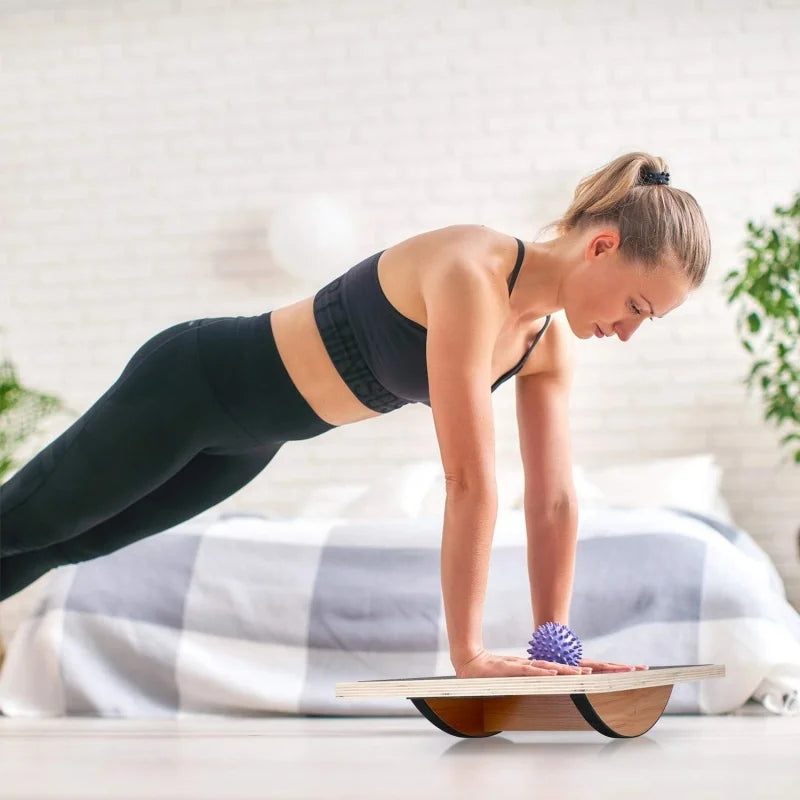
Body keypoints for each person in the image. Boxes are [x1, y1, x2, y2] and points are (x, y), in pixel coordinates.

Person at [0, 151, 710, 680]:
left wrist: (557, 650)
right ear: (603, 246)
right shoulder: (471, 270)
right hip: (194, 384)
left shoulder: (546, 347)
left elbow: (553, 501)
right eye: (637, 307)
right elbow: (470, 481)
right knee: (33, 520)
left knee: (71, 544)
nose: (628, 330)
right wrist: (466, 654)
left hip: (252, 441)